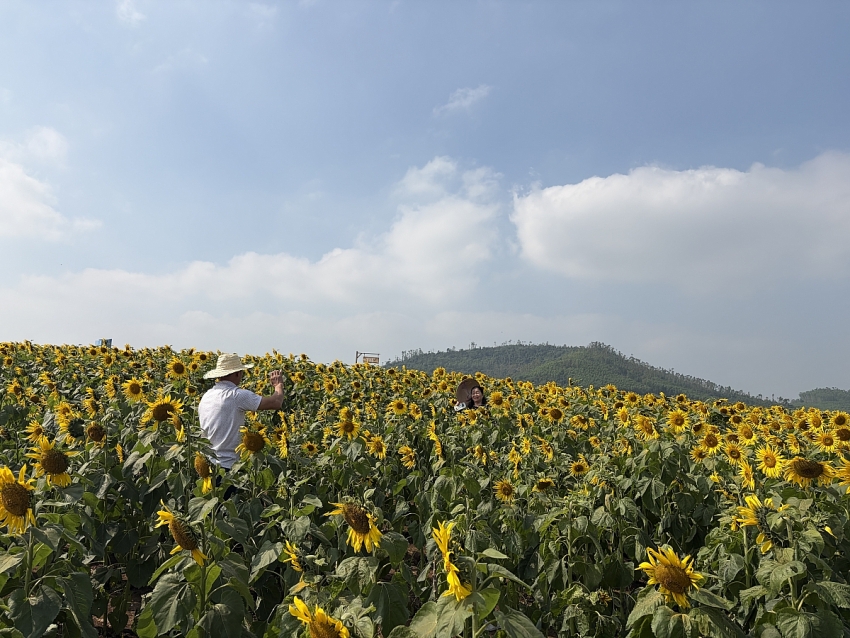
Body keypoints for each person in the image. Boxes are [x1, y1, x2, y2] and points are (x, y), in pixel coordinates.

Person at [198, 353, 285, 470]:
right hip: (227, 467)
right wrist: (278, 385)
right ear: (237, 373)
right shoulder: (236, 395)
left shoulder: (207, 396)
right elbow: (275, 402)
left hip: (207, 466)